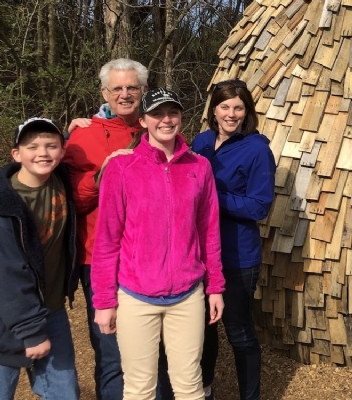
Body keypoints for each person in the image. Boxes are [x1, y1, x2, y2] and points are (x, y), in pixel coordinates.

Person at [92, 88, 225, 399]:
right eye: (157, 114)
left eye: (173, 113)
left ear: (181, 117)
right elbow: (107, 241)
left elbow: (209, 231)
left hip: (187, 295)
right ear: (143, 120)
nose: (166, 120)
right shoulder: (121, 168)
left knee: (190, 386)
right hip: (136, 296)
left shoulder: (199, 167)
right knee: (139, 388)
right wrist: (104, 301)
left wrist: (215, 286)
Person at [63, 57, 148, 399]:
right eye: (118, 88)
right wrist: (102, 177)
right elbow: (74, 204)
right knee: (110, 349)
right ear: (104, 92)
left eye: (132, 87)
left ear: (143, 91)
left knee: (148, 348)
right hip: (99, 255)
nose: (125, 94)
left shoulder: (158, 128)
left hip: (146, 257)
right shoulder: (82, 136)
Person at [192, 80, 275, 400]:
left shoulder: (256, 150)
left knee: (239, 333)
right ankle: (205, 389)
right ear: (214, 109)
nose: (231, 113)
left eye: (238, 107)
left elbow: (259, 206)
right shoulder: (200, 142)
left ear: (247, 112)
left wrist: (213, 196)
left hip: (237, 256)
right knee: (202, 330)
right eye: (225, 106)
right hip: (198, 255)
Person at [0, 118, 79, 399]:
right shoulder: (5, 203)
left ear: (62, 150)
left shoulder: (61, 180)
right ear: (16, 154)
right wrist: (30, 332)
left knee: (64, 392)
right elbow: (7, 274)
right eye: (32, 147)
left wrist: (102, 115)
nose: (43, 153)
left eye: (51, 146)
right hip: (8, 317)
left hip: (50, 309)